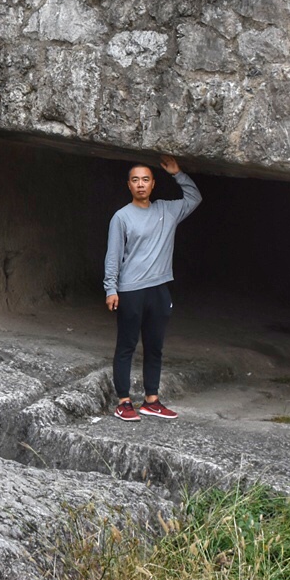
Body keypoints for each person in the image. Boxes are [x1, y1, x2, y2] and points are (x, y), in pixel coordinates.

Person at [104, 154, 201, 422]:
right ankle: (124, 402)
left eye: (145, 179)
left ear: (153, 183)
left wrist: (177, 172)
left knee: (155, 346)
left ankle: (151, 400)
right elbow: (113, 256)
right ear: (129, 186)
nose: (141, 184)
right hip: (130, 290)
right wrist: (111, 289)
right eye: (135, 180)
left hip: (159, 289)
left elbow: (194, 198)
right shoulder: (121, 217)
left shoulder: (167, 211)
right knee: (126, 345)